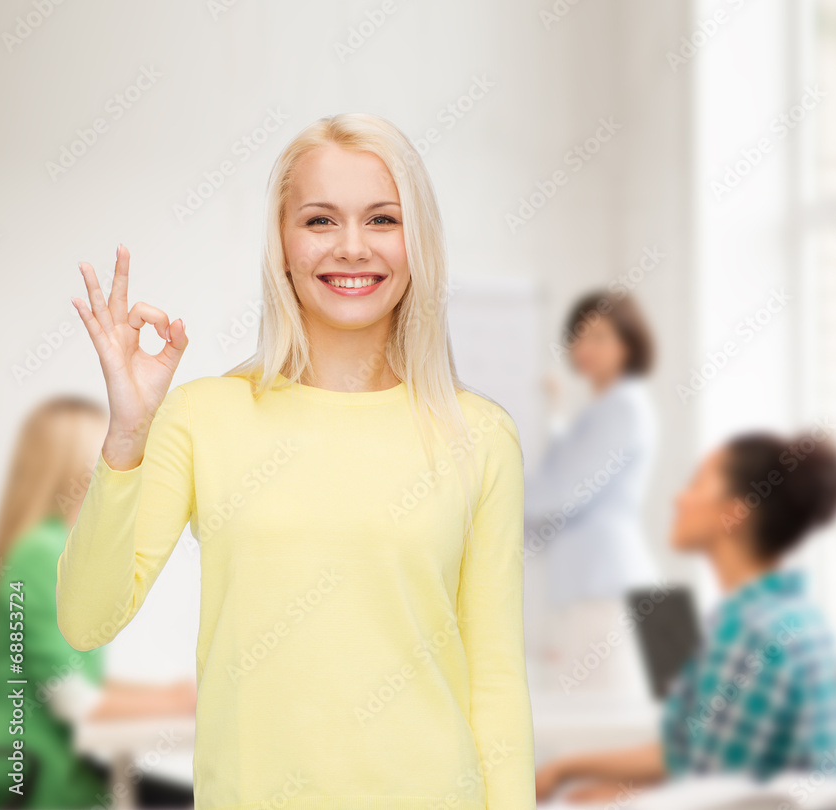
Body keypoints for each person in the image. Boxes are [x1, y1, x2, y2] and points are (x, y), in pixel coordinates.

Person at [57, 113, 536, 810]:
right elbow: (85, 620)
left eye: (382, 220)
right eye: (319, 221)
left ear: (418, 243)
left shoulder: (481, 435)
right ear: (282, 244)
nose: (351, 248)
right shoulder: (203, 416)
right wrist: (128, 435)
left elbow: (494, 679)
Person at [534, 430, 836, 804]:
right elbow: (685, 754)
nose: (679, 498)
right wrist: (568, 769)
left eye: (698, 484)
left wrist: (608, 798)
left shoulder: (747, 632)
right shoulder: (793, 615)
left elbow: (712, 796)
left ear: (735, 513)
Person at [0, 396, 195, 808]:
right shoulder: (41, 554)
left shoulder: (40, 549)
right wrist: (172, 703)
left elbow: (64, 677)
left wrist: (167, 697)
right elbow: (74, 702)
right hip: (36, 781)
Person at [523, 290, 661, 697]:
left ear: (628, 344)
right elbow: (565, 474)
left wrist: (478, 492)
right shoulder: (606, 408)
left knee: (593, 733)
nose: (584, 347)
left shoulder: (624, 407)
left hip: (607, 592)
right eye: (577, 337)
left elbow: (561, 492)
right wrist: (553, 413)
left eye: (599, 337)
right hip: (599, 589)